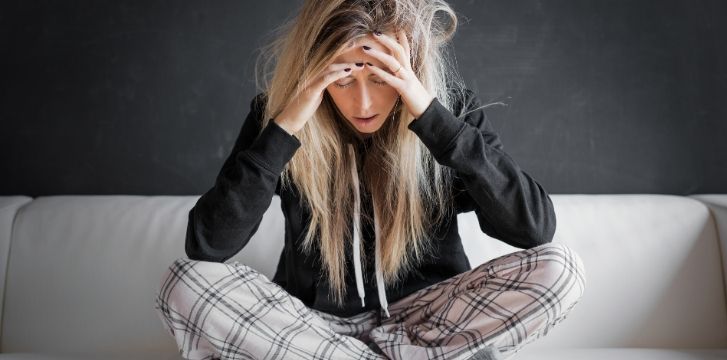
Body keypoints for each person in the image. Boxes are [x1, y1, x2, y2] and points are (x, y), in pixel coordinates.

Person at [154, 0, 586, 359]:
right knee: (184, 283)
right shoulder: (279, 118)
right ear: (315, 71)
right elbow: (208, 246)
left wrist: (433, 119)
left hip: (426, 322)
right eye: (343, 79)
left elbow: (534, 228)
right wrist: (284, 128)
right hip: (315, 328)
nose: (363, 102)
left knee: (561, 269)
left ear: (409, 70)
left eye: (379, 79)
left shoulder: (451, 113)